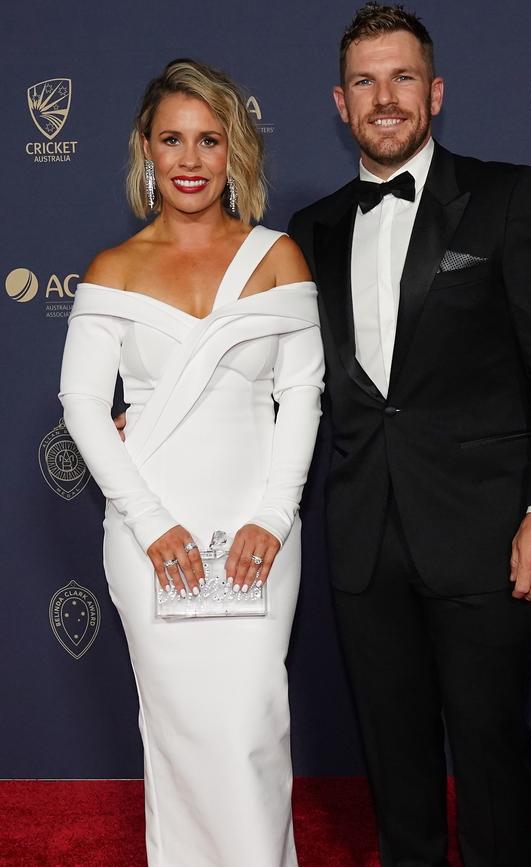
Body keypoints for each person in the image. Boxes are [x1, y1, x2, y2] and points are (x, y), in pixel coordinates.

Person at [288, 5, 531, 867]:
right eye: (365, 81)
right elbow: (274, 378)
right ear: (340, 103)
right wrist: (153, 423)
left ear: (437, 92)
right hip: (362, 538)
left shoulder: (509, 195)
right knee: (395, 764)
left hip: (487, 534)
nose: (385, 97)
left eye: (403, 77)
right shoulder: (306, 233)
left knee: (493, 758)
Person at [59, 58, 324, 867]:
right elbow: (82, 408)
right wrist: (150, 522)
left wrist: (274, 516)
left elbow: (302, 396)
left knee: (251, 725)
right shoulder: (113, 268)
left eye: (209, 139)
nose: (190, 158)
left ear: (234, 148)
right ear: (145, 146)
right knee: (176, 730)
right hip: (151, 539)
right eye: (172, 138)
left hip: (258, 533)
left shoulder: (278, 258)